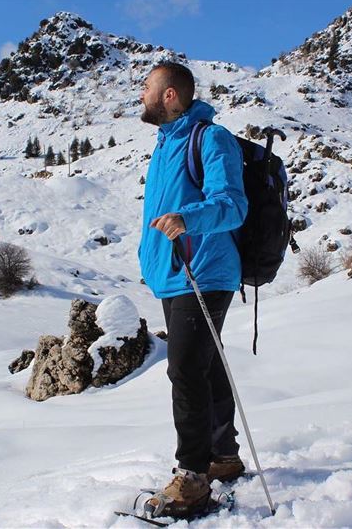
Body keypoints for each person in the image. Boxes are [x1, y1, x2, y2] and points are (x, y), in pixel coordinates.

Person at [137, 61, 247, 517]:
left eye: (146, 87)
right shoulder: (165, 146)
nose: (140, 94)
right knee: (204, 365)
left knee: (183, 370)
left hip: (204, 273)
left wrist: (188, 219)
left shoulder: (211, 138)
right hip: (174, 276)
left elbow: (232, 205)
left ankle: (193, 478)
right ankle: (222, 456)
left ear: (169, 95)